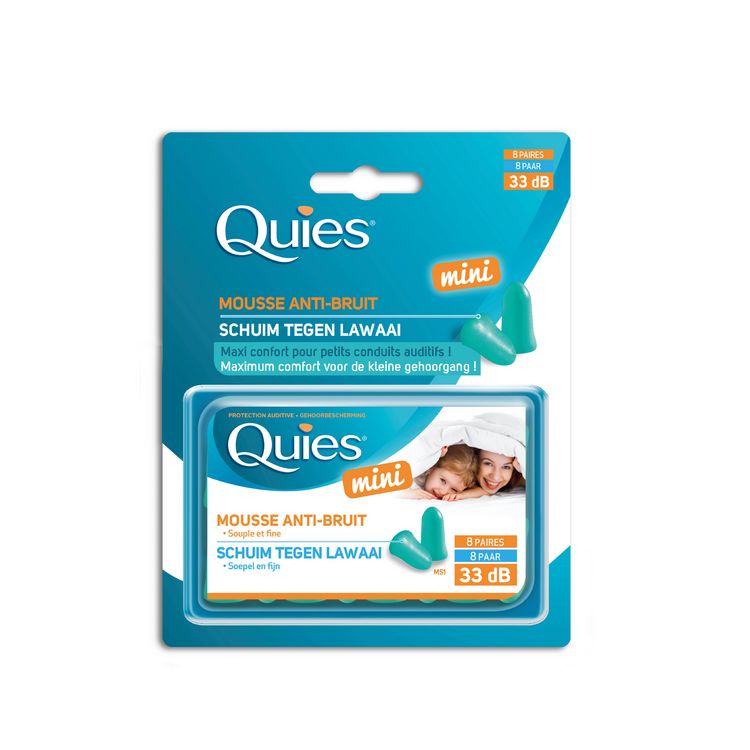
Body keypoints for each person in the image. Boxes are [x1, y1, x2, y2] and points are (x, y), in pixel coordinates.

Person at [403, 444, 478, 500]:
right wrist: (407, 494)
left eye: (454, 490)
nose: (443, 492)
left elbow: (484, 491)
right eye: (443, 481)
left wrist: (462, 495)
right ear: (432, 468)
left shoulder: (459, 494)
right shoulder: (413, 474)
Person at [442, 449, 524, 500]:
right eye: (488, 464)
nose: (496, 477)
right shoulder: (463, 471)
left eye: (506, 467)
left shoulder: (520, 476)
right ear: (475, 461)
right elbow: (485, 492)